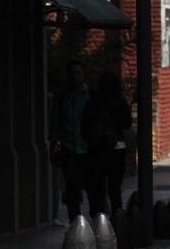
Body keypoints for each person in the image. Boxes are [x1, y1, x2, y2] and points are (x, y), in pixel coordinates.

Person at [50, 60, 104, 220]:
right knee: (72, 187)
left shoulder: (91, 95)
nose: (75, 77)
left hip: (89, 148)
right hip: (70, 148)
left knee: (93, 187)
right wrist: (54, 144)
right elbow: (55, 123)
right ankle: (75, 222)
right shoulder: (63, 97)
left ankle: (96, 221)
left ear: (83, 74)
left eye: (78, 73)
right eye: (72, 73)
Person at [84, 70, 132, 213]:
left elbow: (85, 126)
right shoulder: (119, 101)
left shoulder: (93, 102)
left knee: (98, 186)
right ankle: (117, 216)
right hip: (117, 147)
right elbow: (127, 123)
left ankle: (99, 216)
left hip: (97, 149)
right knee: (115, 188)